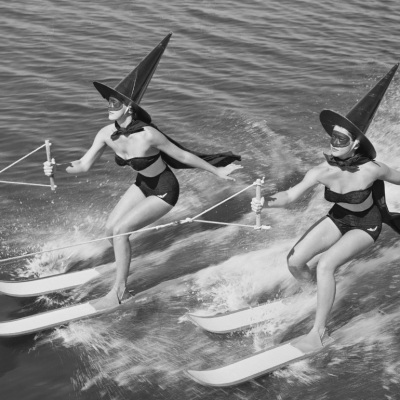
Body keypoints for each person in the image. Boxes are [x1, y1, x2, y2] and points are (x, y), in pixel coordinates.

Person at [44, 33, 242, 310]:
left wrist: (217, 172)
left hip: (163, 190)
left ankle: (120, 290)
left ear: (128, 107)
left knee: (122, 230)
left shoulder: (148, 135)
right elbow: (83, 165)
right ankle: (121, 266)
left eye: (114, 103)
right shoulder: (105, 133)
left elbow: (183, 155)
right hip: (142, 184)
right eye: (108, 102)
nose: (108, 107)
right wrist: (58, 169)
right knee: (111, 228)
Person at [251, 64, 400, 353]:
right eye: (332, 136)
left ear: (355, 144)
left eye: (341, 139)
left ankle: (319, 333)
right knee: (295, 262)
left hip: (366, 224)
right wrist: (264, 201)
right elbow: (290, 196)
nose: (333, 143)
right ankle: (316, 295)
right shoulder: (321, 171)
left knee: (326, 264)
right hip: (339, 219)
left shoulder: (372, 169)